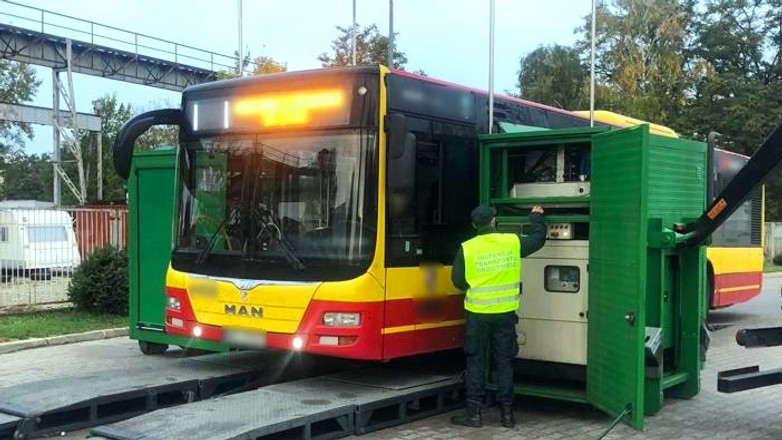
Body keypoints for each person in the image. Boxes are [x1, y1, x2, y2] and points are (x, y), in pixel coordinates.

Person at [450, 204, 547, 429]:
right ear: (494, 221)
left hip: (477, 315)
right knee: (504, 362)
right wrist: (536, 217)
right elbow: (537, 239)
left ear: (475, 225)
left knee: (476, 361)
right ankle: (507, 416)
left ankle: (474, 415)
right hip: (504, 314)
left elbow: (458, 281)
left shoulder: (467, 247)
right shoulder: (511, 241)